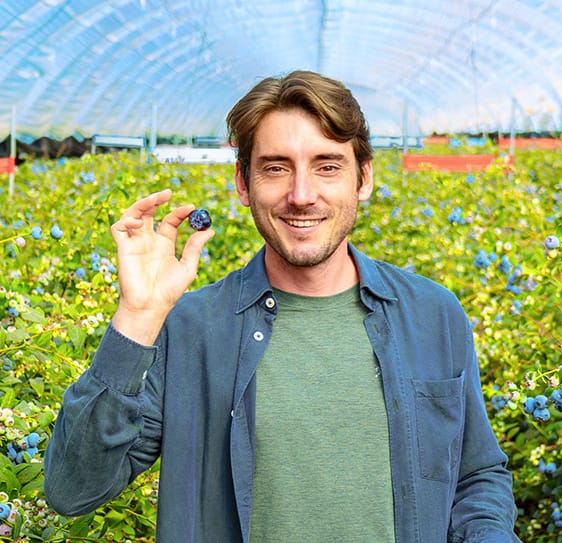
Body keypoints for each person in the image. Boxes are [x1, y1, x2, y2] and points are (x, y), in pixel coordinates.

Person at [44, 70, 520, 542]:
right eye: (276, 167)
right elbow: (73, 489)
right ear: (244, 184)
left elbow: (475, 475)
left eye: (327, 166)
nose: (302, 195)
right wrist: (137, 318)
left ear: (364, 178)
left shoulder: (431, 314)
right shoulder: (189, 329)